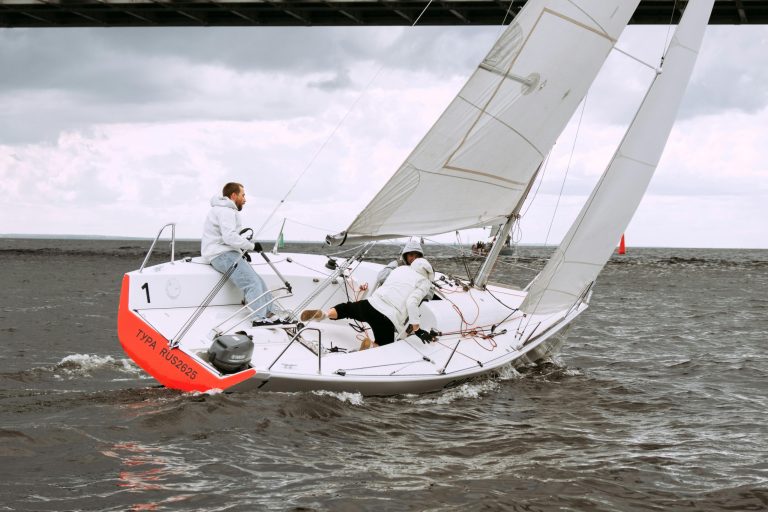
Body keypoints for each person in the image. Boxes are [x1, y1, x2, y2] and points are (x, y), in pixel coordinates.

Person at [300, 257, 435, 349]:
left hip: (370, 304)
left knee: (346, 309)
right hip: (387, 317)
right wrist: (417, 329)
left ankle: (323, 314)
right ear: (428, 273)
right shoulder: (424, 282)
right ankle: (370, 346)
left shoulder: (401, 269)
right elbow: (412, 303)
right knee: (384, 346)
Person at [201, 182, 276, 325]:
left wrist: (241, 250)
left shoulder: (224, 210)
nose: (245, 199)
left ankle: (270, 313)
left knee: (258, 280)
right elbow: (229, 237)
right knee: (252, 282)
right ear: (234, 195)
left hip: (225, 252)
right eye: (243, 195)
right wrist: (252, 246)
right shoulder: (226, 211)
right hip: (221, 255)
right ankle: (259, 318)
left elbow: (228, 237)